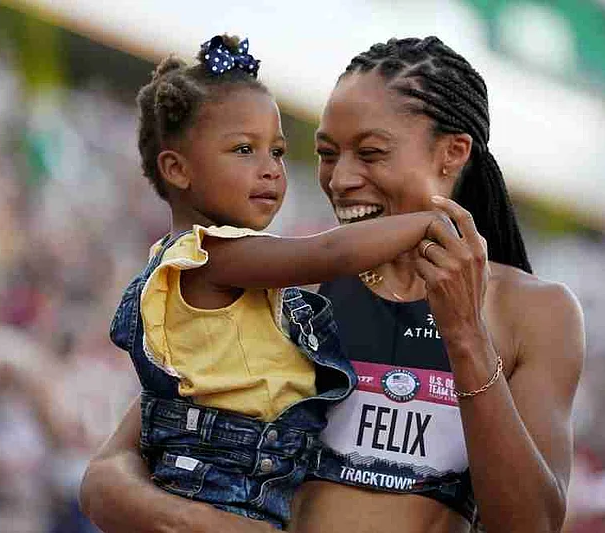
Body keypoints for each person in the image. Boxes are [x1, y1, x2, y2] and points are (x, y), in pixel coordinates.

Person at [81, 36, 585, 533]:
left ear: (452, 154)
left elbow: (531, 524)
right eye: (326, 153)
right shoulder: (289, 283)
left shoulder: (534, 312)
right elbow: (108, 476)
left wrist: (466, 336)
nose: (341, 179)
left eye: (370, 153)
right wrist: (205, 524)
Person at [113, 34, 454, 530]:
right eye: (244, 150)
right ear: (177, 169)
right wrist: (427, 222)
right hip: (217, 476)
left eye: (276, 152)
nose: (271, 170)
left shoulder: (225, 263)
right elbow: (327, 254)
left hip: (251, 475)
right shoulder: (209, 256)